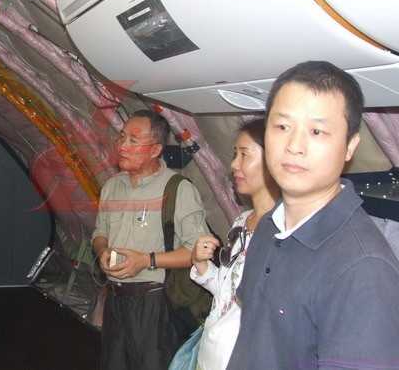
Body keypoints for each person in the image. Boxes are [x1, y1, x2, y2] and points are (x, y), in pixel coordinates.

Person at [227, 61, 399, 370]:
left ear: (350, 147)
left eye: (317, 131)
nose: (294, 146)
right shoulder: (269, 226)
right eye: (282, 127)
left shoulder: (364, 270)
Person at [92, 109, 210, 370]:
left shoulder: (178, 189)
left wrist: (146, 261)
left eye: (133, 140)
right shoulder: (112, 186)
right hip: (116, 301)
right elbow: (99, 233)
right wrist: (102, 251)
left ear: (156, 149)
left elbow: (196, 251)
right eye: (121, 137)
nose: (122, 146)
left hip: (155, 305)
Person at [188, 118, 279, 370]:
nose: (233, 164)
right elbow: (227, 294)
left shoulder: (285, 233)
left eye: (244, 155)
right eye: (234, 154)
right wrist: (201, 265)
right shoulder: (242, 221)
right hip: (212, 355)